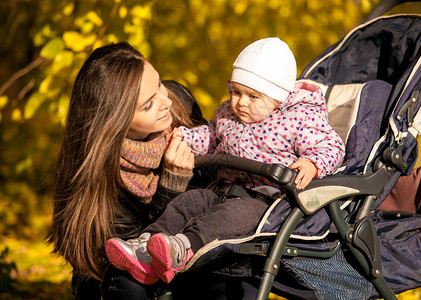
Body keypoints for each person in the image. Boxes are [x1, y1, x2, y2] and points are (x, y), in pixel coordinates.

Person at [105, 37, 345, 285]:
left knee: (223, 218)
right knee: (187, 202)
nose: (241, 102)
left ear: (277, 100)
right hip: (223, 189)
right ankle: (146, 246)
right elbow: (210, 135)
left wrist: (312, 163)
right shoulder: (228, 113)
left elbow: (331, 146)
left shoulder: (299, 119)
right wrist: (185, 137)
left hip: (264, 201)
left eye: (253, 97)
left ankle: (184, 246)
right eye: (236, 91)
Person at [46, 42, 208, 299]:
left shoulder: (180, 103)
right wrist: (171, 185)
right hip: (125, 266)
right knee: (129, 283)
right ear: (117, 119)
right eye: (147, 105)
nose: (165, 101)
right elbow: (133, 251)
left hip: (190, 249)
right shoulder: (101, 170)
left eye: (158, 84)